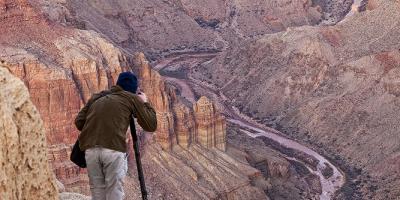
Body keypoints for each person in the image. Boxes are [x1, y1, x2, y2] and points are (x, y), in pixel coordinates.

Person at [74, 72, 157, 200]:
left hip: (90, 151)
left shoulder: (97, 97)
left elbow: (79, 123)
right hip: (112, 150)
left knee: (97, 192)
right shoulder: (130, 97)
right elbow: (151, 124)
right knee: (114, 192)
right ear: (133, 89)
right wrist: (144, 102)